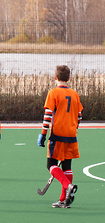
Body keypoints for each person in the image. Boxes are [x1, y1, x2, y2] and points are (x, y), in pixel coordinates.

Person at [37, 65, 81, 208]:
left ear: (55, 78)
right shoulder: (75, 94)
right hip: (71, 135)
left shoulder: (53, 93)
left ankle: (68, 185)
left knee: (51, 164)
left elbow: (48, 115)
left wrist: (43, 134)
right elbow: (79, 116)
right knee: (67, 166)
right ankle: (63, 200)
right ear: (69, 78)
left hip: (57, 135)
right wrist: (74, 128)